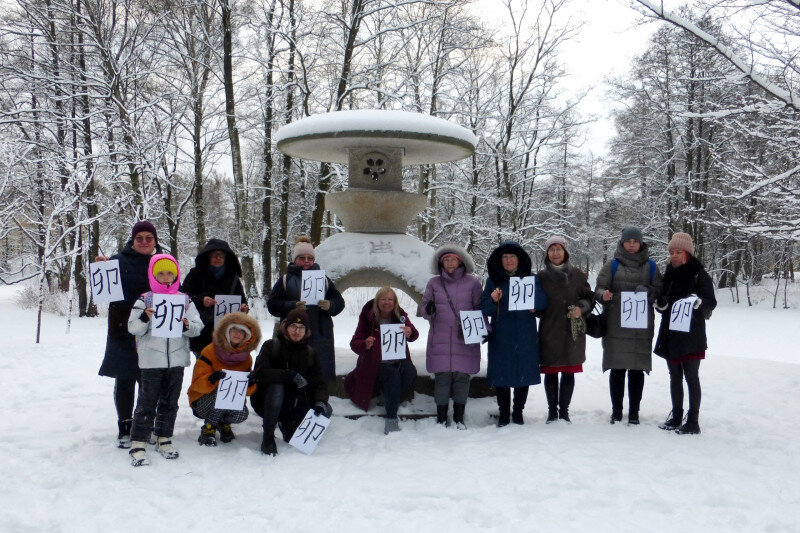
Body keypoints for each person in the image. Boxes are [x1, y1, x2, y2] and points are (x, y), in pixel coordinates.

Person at [126, 254, 203, 466]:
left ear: (176, 275)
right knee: (146, 402)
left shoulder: (184, 300)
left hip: (177, 360)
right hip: (151, 361)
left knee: (170, 402)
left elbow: (198, 327)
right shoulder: (145, 299)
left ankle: (164, 437)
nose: (166, 277)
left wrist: (187, 325)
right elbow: (132, 328)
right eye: (161, 273)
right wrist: (145, 317)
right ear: (153, 275)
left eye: (170, 273)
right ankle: (138, 441)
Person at [97, 220, 163, 449]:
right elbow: (103, 291)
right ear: (132, 241)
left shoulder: (163, 261)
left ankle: (145, 424)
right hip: (123, 327)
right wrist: (102, 269)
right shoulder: (116, 261)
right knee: (124, 378)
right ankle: (125, 426)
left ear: (155, 241)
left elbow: (174, 289)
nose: (144, 242)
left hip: (153, 328)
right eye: (139, 238)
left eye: (149, 238)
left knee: (149, 380)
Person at [594, 227, 663, 425]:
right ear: (622, 242)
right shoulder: (612, 265)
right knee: (617, 369)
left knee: (636, 369)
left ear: (641, 243)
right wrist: (603, 295)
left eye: (635, 240)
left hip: (640, 327)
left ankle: (634, 412)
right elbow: (599, 288)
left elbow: (659, 289)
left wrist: (649, 291)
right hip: (616, 325)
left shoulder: (650, 266)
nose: (632, 244)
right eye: (628, 240)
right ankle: (616, 411)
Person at [654, 232, 716, 435]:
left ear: (687, 253)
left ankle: (693, 421)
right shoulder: (669, 275)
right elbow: (662, 299)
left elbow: (711, 301)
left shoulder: (699, 274)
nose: (674, 255)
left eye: (678, 252)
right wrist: (660, 304)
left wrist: (699, 303)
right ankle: (677, 415)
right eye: (671, 252)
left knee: (691, 376)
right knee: (674, 376)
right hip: (670, 333)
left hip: (691, 334)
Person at [480, 241, 547, 427]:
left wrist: (535, 306)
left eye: (512, 257)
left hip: (525, 334)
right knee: (502, 375)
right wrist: (493, 300)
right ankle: (504, 414)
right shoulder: (493, 280)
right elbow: (484, 308)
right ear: (499, 260)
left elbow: (542, 300)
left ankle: (518, 412)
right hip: (502, 334)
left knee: (522, 373)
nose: (508, 260)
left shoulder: (531, 279)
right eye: (505, 257)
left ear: (519, 260)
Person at [250, 309, 332, 456]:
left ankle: (289, 425)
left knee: (326, 408)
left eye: (301, 328)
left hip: (295, 403)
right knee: (277, 387)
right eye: (293, 326)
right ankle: (268, 437)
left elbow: (319, 382)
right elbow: (260, 374)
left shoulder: (310, 353)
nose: (297, 331)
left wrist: (320, 401)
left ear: (306, 331)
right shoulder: (271, 346)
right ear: (285, 327)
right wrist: (290, 375)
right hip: (268, 402)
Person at [420, 244, 482, 429]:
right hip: (440, 337)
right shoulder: (433, 283)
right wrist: (428, 310)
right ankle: (441, 418)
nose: (449, 263)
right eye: (445, 259)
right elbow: (424, 309)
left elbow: (479, 308)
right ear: (440, 263)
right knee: (442, 378)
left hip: (464, 337)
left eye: (453, 259)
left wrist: (483, 328)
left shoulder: (473, 283)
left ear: (460, 261)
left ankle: (459, 417)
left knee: (462, 378)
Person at [267, 236, 345, 382]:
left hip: (321, 333)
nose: (306, 261)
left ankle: (319, 400)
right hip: (293, 334)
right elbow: (272, 305)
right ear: (295, 259)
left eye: (310, 258)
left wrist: (330, 305)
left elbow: (339, 302)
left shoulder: (324, 280)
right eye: (301, 258)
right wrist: (291, 305)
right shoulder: (285, 280)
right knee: (295, 371)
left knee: (319, 372)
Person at [345, 286, 419, 434]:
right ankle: (391, 418)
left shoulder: (400, 315)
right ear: (377, 301)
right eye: (383, 299)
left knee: (410, 371)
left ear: (395, 302)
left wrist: (410, 332)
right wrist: (365, 343)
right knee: (393, 375)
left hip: (398, 358)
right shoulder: (368, 317)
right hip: (375, 362)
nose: (387, 302)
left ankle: (390, 397)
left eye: (390, 299)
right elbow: (354, 343)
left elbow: (414, 334)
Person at [536, 236, 594, 424]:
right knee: (551, 372)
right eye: (551, 249)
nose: (555, 253)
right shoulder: (541, 277)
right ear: (547, 253)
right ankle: (552, 411)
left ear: (565, 252)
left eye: (558, 249)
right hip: (550, 330)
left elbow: (589, 298)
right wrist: (534, 308)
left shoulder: (577, 275)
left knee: (568, 371)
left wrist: (581, 307)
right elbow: (536, 303)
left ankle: (564, 411)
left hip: (572, 332)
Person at [187, 312, 262, 447]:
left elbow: (246, 392)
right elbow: (196, 383)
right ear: (227, 330)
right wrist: (211, 379)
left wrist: (250, 384)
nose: (237, 333)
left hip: (229, 401)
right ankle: (208, 428)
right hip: (204, 401)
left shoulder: (247, 358)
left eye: (242, 331)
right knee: (220, 392)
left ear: (247, 336)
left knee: (242, 415)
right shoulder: (210, 350)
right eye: (234, 329)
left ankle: (223, 423)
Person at [181, 239, 249, 356]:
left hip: (226, 333)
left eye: (221, 255)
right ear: (207, 256)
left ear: (226, 257)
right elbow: (184, 297)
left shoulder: (233, 278)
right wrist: (201, 300)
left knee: (225, 371)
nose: (218, 258)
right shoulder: (195, 274)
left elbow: (242, 300)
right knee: (203, 370)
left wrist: (243, 308)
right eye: (214, 255)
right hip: (202, 332)